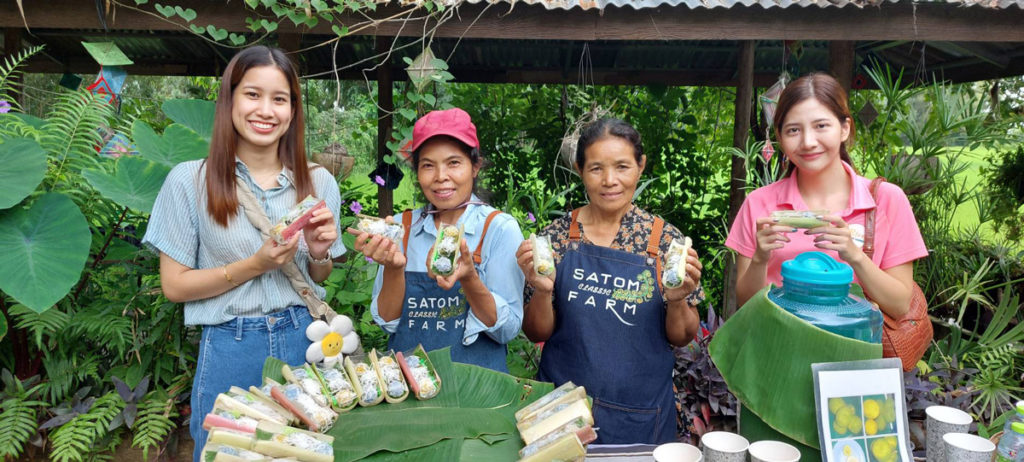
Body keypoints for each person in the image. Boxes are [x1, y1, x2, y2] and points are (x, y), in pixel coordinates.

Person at [142, 46, 345, 461]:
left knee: (310, 452)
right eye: (252, 94)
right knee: (225, 454)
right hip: (231, 345)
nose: (265, 110)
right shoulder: (189, 182)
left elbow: (318, 277)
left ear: (293, 110)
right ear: (230, 100)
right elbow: (174, 286)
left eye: (279, 98)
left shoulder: (319, 182)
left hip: (304, 338)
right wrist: (256, 264)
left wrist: (321, 254)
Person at [516, 118, 704, 444]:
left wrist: (677, 299)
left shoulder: (665, 242)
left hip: (640, 415)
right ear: (579, 170)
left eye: (622, 167)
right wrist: (544, 292)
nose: (609, 181)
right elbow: (536, 331)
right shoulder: (556, 238)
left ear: (640, 166)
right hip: (563, 411)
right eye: (596, 169)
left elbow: (682, 336)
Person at [726, 72, 927, 318]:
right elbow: (745, 305)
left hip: (853, 352)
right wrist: (759, 259)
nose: (808, 142)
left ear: (844, 128)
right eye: (793, 130)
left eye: (821, 126)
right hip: (777, 350)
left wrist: (855, 256)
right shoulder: (759, 203)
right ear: (780, 137)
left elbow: (900, 305)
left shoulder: (887, 200)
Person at [350, 108, 524, 372]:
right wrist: (394, 268)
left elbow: (506, 331)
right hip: (410, 388)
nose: (440, 176)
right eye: (428, 165)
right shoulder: (400, 228)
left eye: (454, 163)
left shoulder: (499, 229)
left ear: (475, 166)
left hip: (475, 389)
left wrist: (469, 278)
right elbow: (387, 321)